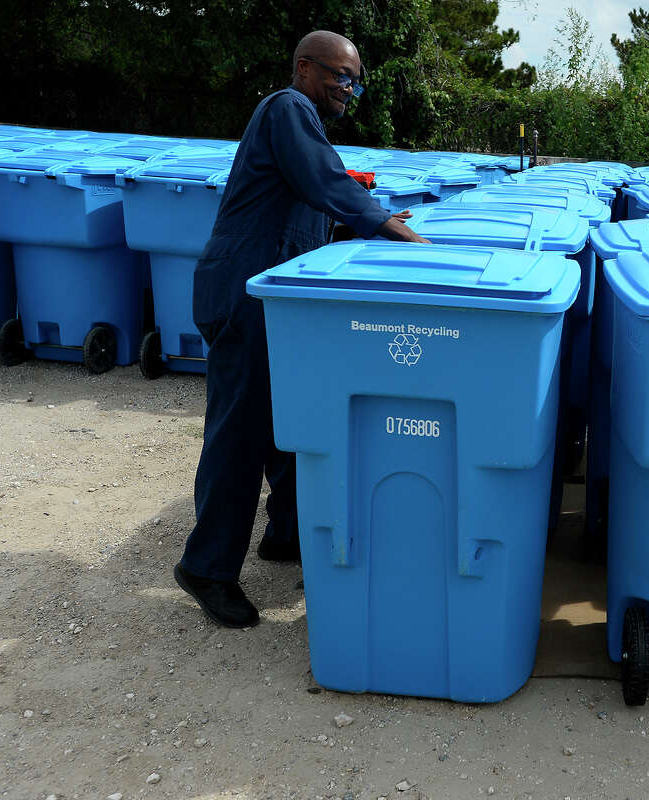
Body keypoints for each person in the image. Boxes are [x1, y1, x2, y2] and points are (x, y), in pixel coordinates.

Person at [174, 30, 428, 628]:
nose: (350, 87)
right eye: (341, 75)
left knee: (285, 416)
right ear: (305, 69)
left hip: (270, 295)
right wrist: (406, 240)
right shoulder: (288, 109)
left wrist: (371, 223)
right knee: (240, 431)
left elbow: (315, 212)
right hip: (243, 290)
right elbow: (328, 186)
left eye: (356, 79)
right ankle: (207, 567)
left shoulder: (302, 128)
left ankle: (286, 534)